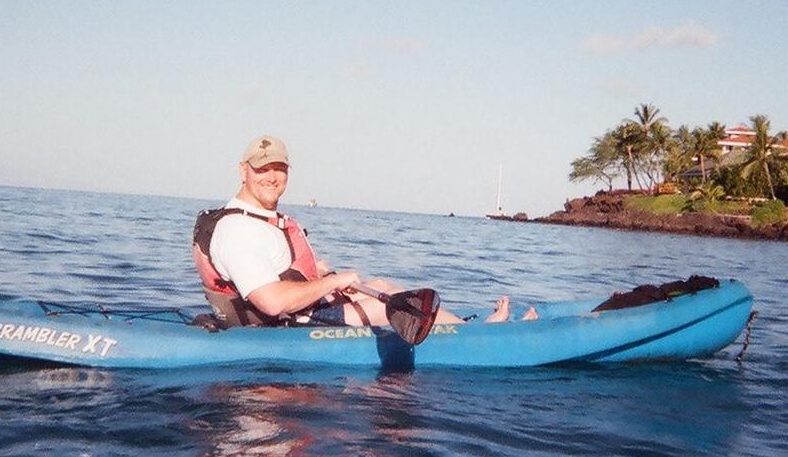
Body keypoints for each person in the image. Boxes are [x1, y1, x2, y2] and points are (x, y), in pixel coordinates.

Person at [192, 135, 535, 328]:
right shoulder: (237, 229)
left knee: (382, 286)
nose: (272, 177)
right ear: (243, 171)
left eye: (279, 169)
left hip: (295, 311)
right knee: (382, 307)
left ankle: (462, 326)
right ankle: (477, 338)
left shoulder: (256, 218)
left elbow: (274, 276)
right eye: (262, 169)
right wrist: (331, 283)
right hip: (279, 326)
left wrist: (319, 274)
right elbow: (270, 302)